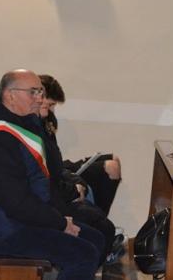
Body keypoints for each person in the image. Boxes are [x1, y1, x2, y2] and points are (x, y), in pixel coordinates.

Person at [0, 69, 104, 280]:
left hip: (23, 219)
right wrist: (59, 223)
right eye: (33, 92)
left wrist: (60, 218)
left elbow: (42, 182)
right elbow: (14, 201)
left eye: (40, 92)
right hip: (4, 229)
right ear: (10, 95)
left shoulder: (23, 123)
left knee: (94, 238)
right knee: (83, 254)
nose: (39, 98)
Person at [37, 75, 119, 264]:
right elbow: (45, 177)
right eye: (48, 105)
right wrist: (72, 190)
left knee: (111, 165)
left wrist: (72, 182)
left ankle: (94, 218)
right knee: (103, 229)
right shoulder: (31, 130)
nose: (50, 111)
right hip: (50, 199)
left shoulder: (44, 123)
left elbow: (54, 168)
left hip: (58, 182)